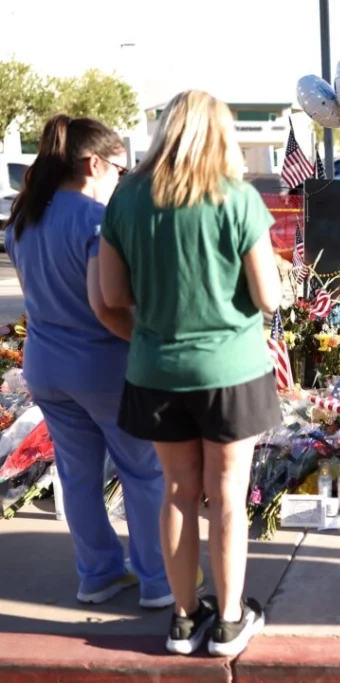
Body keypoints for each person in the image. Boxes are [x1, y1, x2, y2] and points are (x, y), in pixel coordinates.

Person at [99, 90, 282, 657]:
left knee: (176, 492)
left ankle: (183, 619)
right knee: (227, 496)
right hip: (232, 371)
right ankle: (229, 621)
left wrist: (157, 339)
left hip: (155, 372)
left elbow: (110, 297)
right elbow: (269, 297)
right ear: (221, 134)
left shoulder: (126, 200)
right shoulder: (239, 199)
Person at [3, 115, 180, 609]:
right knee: (144, 472)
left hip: (45, 364)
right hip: (103, 365)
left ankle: (97, 573)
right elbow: (110, 302)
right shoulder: (95, 221)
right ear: (93, 164)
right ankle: (159, 581)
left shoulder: (23, 219)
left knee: (78, 474)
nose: (122, 181)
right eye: (120, 171)